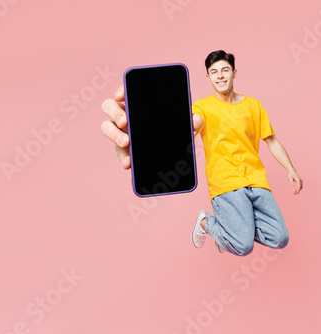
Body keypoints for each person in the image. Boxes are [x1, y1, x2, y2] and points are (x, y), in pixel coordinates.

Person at [101, 50, 303, 256]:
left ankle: (226, 233)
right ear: (208, 77)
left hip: (257, 179)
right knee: (243, 246)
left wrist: (291, 169)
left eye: (225, 70)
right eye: (214, 72)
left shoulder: (254, 105)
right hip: (225, 183)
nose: (220, 76)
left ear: (234, 72)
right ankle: (207, 222)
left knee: (280, 238)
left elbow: (271, 140)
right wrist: (145, 134)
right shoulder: (201, 108)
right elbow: (178, 136)